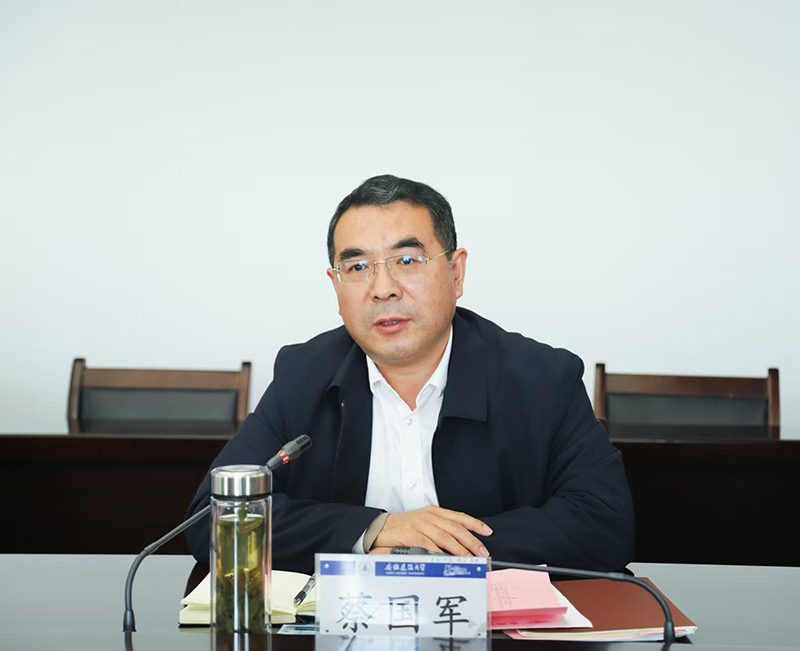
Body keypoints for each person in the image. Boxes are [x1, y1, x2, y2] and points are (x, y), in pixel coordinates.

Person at [186, 174, 634, 574]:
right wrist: (374, 529)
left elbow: (604, 523)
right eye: (357, 268)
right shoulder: (303, 375)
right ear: (336, 286)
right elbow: (214, 517)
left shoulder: (542, 379)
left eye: (407, 261)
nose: (383, 289)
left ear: (456, 272)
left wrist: (430, 551)